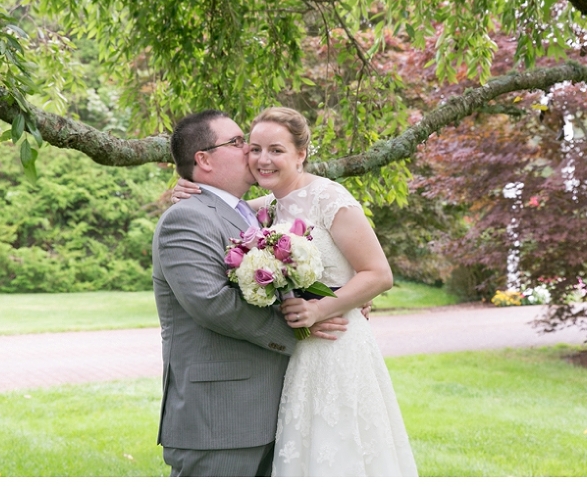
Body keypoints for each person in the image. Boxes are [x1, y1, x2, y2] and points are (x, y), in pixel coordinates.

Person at [173, 107, 418, 476]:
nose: (262, 159)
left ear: (301, 153)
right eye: (253, 148)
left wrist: (323, 309)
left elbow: (379, 274)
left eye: (276, 150)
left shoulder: (329, 198)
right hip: (298, 354)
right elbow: (214, 208)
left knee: (339, 450)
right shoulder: (266, 207)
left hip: (336, 345)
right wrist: (185, 188)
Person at [152, 110, 348, 477]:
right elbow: (212, 303)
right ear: (204, 160)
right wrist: (298, 330)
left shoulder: (257, 214)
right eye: (239, 142)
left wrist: (339, 296)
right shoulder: (186, 217)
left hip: (273, 411)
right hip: (220, 419)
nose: (250, 152)